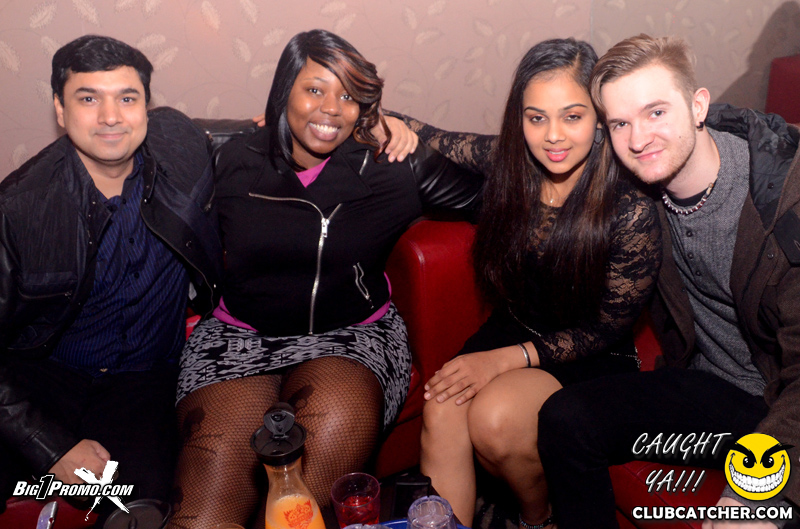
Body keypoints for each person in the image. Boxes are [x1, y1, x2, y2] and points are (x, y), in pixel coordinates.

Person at [168, 29, 482, 528]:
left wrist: (414, 131)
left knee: (298, 512)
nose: (332, 109)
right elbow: (150, 137)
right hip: (239, 338)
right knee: (203, 515)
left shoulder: (391, 163)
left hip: (352, 339)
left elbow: (499, 189)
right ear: (284, 92)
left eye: (350, 96)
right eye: (314, 90)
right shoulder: (230, 158)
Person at [536, 34, 800, 529]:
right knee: (563, 419)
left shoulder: (784, 206)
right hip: (712, 393)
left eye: (656, 112)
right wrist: (408, 134)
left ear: (698, 106)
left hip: (782, 401)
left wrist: (757, 494)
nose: (638, 139)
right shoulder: (638, 184)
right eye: (620, 123)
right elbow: (522, 151)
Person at [397, 39, 662, 529]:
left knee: (495, 420)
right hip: (513, 328)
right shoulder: (512, 164)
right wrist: (373, 119)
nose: (552, 136)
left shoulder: (630, 207)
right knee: (441, 408)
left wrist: (504, 359)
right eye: (536, 118)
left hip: (590, 356)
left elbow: (604, 330)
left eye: (572, 116)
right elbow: (434, 137)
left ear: (600, 118)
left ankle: (536, 517)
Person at [0, 34, 223, 520]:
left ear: (146, 106)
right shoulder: (18, 208)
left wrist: (380, 124)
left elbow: (277, 138)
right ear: (60, 110)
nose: (110, 117)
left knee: (138, 509)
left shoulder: (181, 147)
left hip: (145, 381)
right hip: (44, 378)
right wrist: (50, 447)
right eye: (88, 99)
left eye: (126, 98)